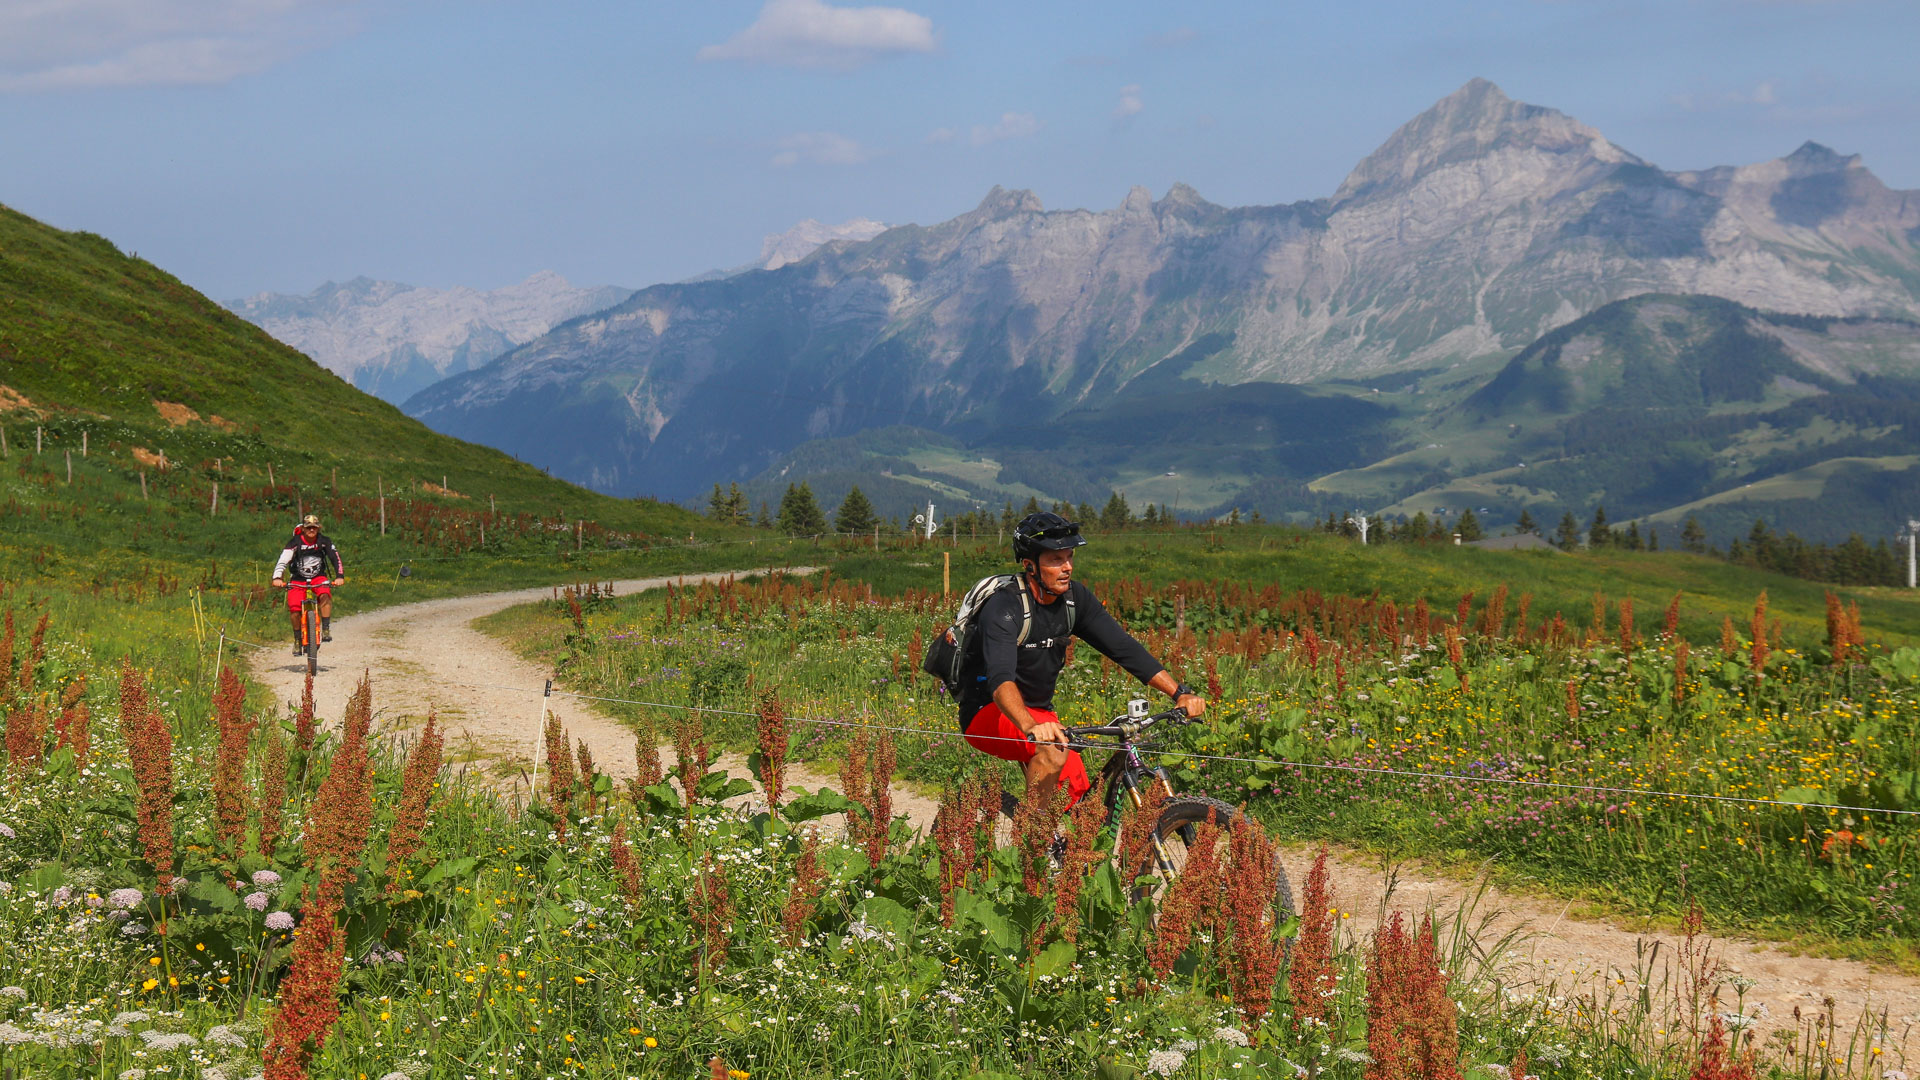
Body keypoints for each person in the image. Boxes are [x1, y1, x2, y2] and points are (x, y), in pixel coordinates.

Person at [958, 511, 1204, 807]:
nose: (1067, 567)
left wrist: (1179, 692)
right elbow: (1000, 680)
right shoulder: (1005, 606)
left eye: (1069, 557)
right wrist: (1029, 726)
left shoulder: (1074, 600)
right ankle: (1032, 844)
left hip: (1041, 715)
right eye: (1055, 560)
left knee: (1080, 806)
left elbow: (1123, 648)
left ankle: (1055, 847)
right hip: (989, 712)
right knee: (1051, 752)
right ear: (1030, 566)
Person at [271, 515, 346, 654]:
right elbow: (283, 560)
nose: (312, 530)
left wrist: (339, 576)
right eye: (308, 527)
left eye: (314, 527)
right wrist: (277, 577)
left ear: (318, 528)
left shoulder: (324, 541)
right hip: (298, 579)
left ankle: (326, 629)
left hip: (318, 577)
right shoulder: (295, 542)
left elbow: (335, 558)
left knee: (325, 594)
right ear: (303, 529)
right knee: (294, 609)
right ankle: (297, 640)